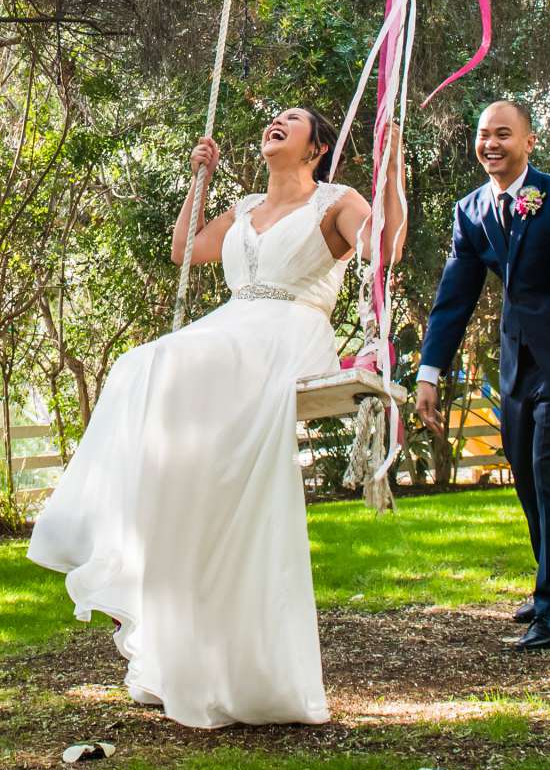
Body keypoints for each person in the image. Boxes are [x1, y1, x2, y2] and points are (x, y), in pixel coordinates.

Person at [28, 105, 403, 729]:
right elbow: (184, 251)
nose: (275, 123)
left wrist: (392, 173)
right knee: (138, 369)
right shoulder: (244, 206)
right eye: (273, 119)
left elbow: (382, 248)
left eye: (292, 119)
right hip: (229, 331)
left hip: (287, 333)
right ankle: (136, 541)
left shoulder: (337, 201)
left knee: (164, 366)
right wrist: (198, 182)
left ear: (316, 147)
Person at [413, 99, 550, 651]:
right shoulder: (472, 211)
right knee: (528, 480)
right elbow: (453, 300)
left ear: (529, 142)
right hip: (517, 366)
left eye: (504, 134)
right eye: (483, 134)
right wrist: (430, 370)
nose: (491, 144)